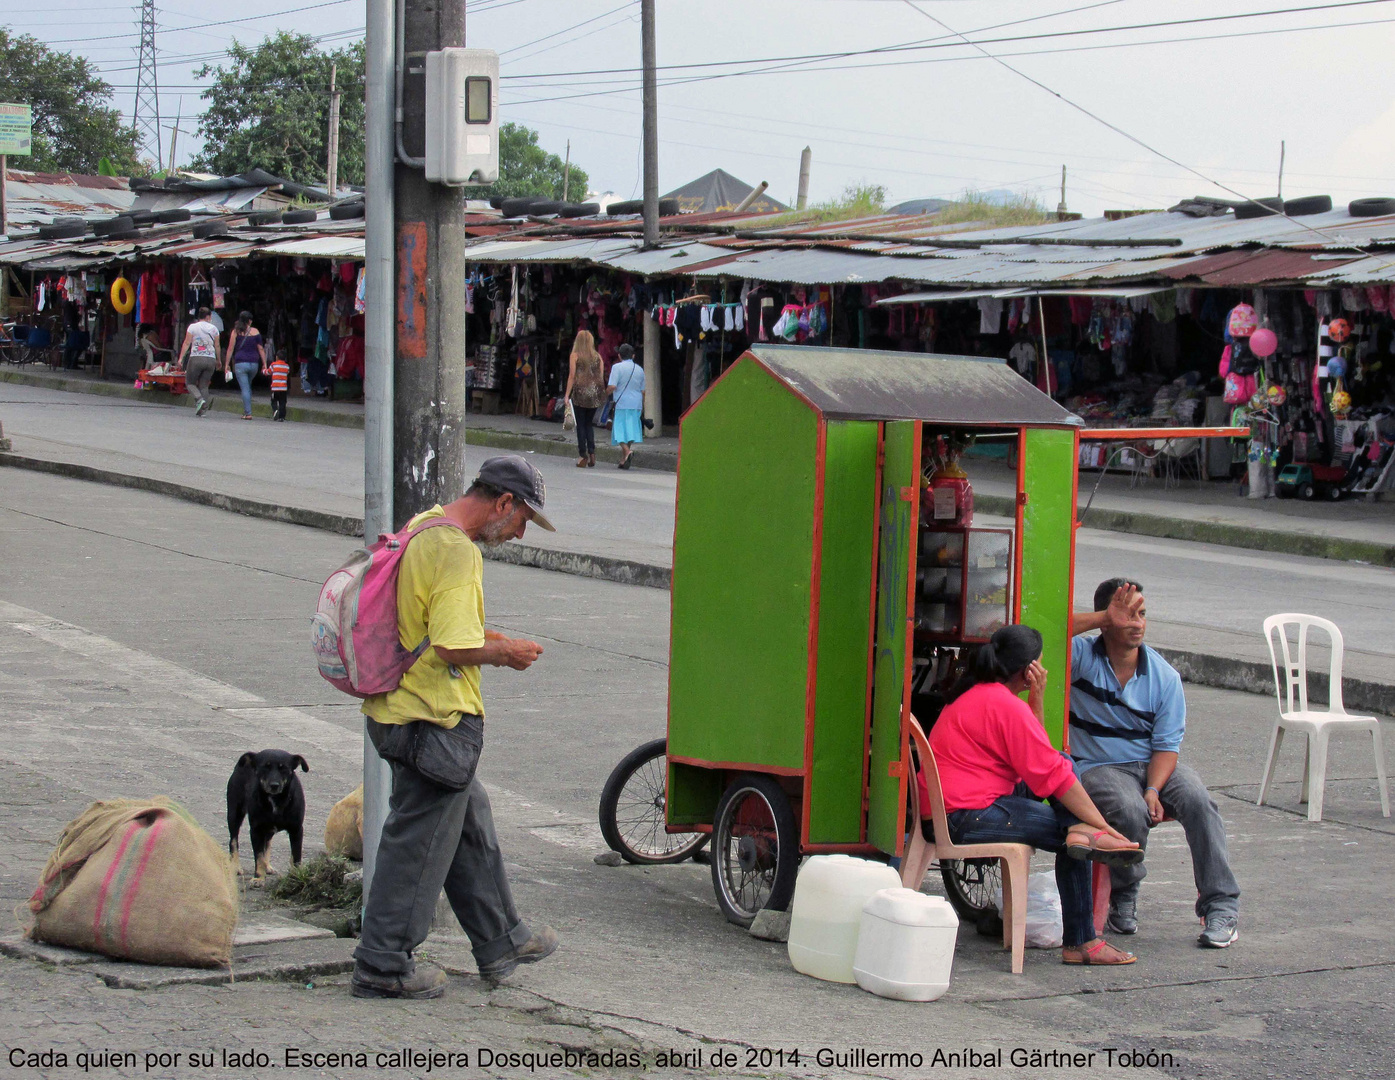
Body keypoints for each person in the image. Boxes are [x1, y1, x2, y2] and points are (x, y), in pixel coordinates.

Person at [353, 456, 560, 1000]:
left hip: (398, 709)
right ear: (503, 503)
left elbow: (429, 621)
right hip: (432, 719)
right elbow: (450, 644)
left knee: (469, 816)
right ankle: (382, 964)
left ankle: (501, 938)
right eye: (522, 520)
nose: (518, 533)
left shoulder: (427, 525)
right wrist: (506, 652)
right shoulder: (457, 550)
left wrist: (490, 636)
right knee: (417, 844)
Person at [926, 624, 1143, 966]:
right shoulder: (1003, 705)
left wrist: (1036, 700)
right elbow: (1051, 774)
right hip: (965, 815)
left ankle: (1085, 834)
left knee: (1064, 767)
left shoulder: (983, 693)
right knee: (1075, 838)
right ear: (1028, 669)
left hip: (963, 804)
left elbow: (1040, 756)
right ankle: (1082, 940)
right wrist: (1101, 825)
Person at [1070, 579, 1241, 948]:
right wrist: (1102, 616)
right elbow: (1042, 634)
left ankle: (1220, 906)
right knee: (1129, 810)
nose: (1137, 623)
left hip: (1151, 765)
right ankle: (1125, 891)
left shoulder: (1163, 676)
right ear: (1106, 621)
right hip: (1097, 766)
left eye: (1142, 614)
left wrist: (1153, 788)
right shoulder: (1082, 658)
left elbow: (1166, 746)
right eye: (1127, 614)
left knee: (1199, 801)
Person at [564, 329, 605, 468]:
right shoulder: (598, 356)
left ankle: (583, 455)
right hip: (594, 393)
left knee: (580, 424)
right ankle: (592, 452)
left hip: (581, 393)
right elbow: (600, 375)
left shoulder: (575, 356)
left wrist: (566, 395)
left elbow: (572, 376)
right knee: (589, 424)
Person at [176, 306, 221, 416]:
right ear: (208, 316)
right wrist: (218, 360)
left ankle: (199, 399)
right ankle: (202, 410)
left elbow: (187, 343)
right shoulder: (214, 329)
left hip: (196, 357)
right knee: (204, 385)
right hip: (211, 359)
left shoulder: (192, 327)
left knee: (190, 382)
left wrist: (181, 358)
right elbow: (217, 345)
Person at [606, 343, 645, 469]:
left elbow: (612, 386)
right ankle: (624, 458)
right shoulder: (639, 369)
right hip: (636, 403)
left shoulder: (617, 368)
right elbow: (643, 390)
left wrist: (603, 394)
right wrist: (642, 405)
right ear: (633, 356)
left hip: (622, 403)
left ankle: (627, 452)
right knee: (631, 430)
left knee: (619, 431)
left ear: (619, 355)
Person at [223, 310, 265, 420]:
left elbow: (230, 348)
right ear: (249, 321)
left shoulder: (235, 331)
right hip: (254, 364)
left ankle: (248, 413)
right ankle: (247, 409)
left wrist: (227, 364)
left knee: (245, 388)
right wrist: (264, 363)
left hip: (240, 363)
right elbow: (260, 348)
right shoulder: (255, 331)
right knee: (248, 386)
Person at [266, 346, 290, 422]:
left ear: (276, 357)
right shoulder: (287, 366)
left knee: (273, 400)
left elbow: (268, 372)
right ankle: (281, 417)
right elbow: (287, 373)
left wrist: (263, 371)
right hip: (283, 388)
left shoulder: (273, 365)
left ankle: (275, 410)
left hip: (275, 388)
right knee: (283, 402)